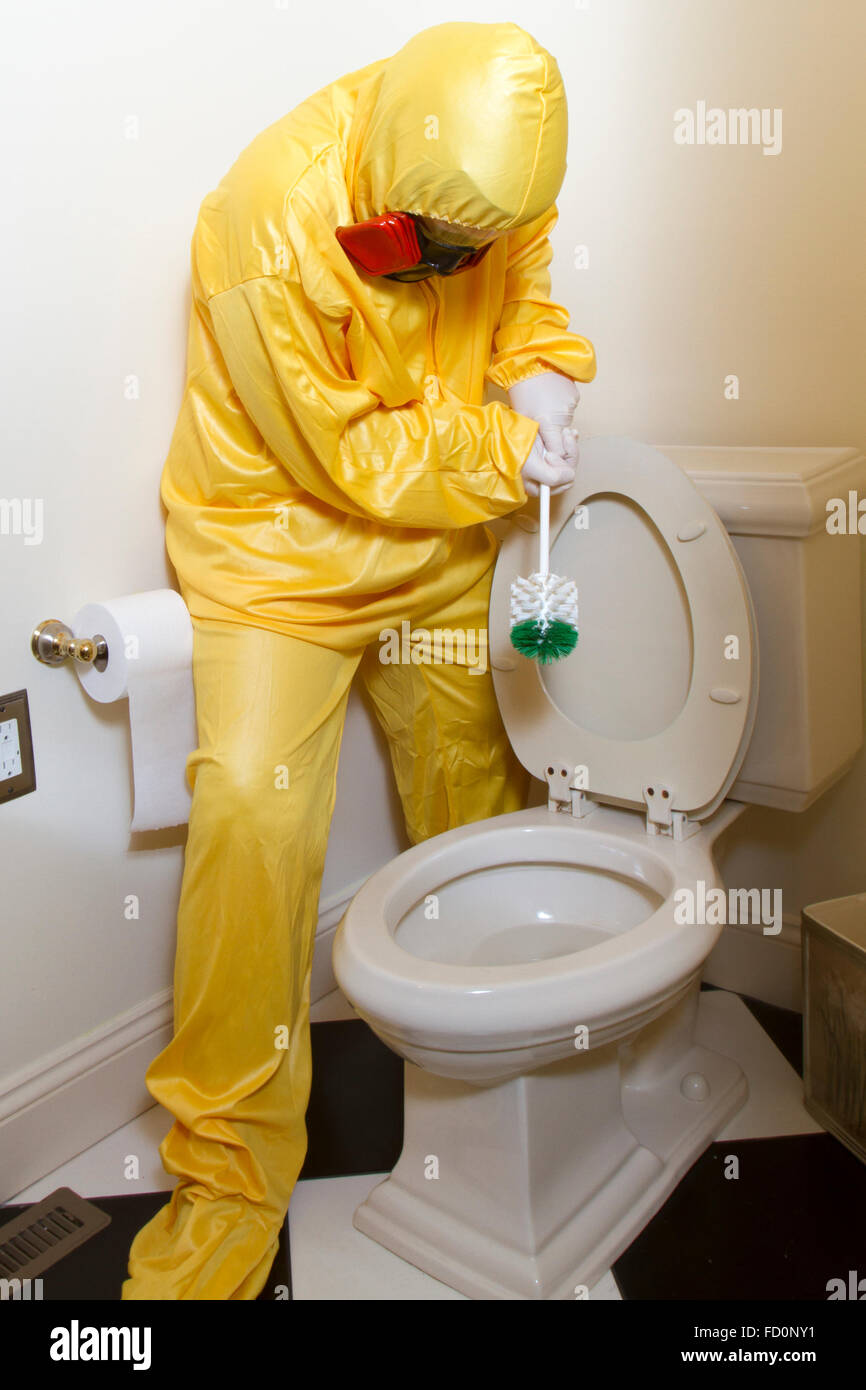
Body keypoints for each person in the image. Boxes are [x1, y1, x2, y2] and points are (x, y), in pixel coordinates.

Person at [121, 19, 596, 1300]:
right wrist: (502, 456)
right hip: (279, 554)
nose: (460, 265)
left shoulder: (495, 177)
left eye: (476, 246)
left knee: (476, 795)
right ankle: (227, 1176)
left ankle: (503, 1074)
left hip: (432, 543)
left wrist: (540, 371)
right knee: (247, 822)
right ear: (392, 170)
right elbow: (345, 459)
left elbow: (522, 289)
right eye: (440, 250)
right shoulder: (263, 223)